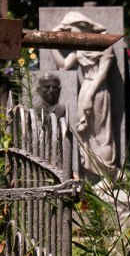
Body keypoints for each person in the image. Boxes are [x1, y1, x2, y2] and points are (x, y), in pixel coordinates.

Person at [47, 13, 120, 179]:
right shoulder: (81, 46)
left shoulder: (105, 43)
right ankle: (93, 177)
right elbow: (64, 66)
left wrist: (89, 96)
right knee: (84, 132)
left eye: (70, 29)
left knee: (101, 134)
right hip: (86, 88)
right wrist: (52, 42)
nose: (70, 34)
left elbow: (102, 74)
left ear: (81, 25)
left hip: (98, 90)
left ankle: (108, 176)